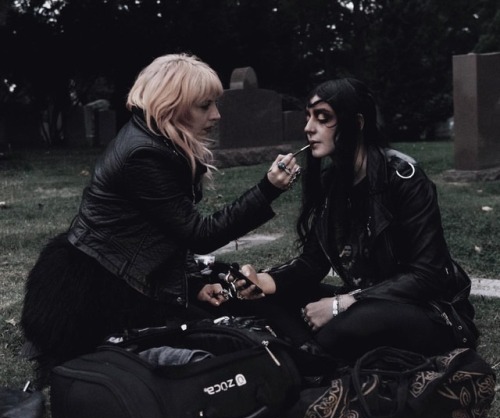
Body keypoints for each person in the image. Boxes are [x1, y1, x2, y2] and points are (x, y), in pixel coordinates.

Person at [20, 53, 301, 385]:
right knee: (221, 330)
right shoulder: (144, 154)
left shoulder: (154, 140)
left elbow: (162, 236)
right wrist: (267, 189)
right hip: (90, 293)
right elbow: (199, 235)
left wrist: (194, 285)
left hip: (113, 277)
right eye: (204, 106)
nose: (216, 115)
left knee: (240, 301)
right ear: (173, 106)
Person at [236, 77, 479, 364]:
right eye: (308, 117)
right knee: (271, 299)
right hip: (365, 300)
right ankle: (309, 353)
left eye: (323, 118)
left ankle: (308, 361)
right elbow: (313, 262)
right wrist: (264, 281)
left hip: (427, 311)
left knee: (354, 321)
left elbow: (427, 276)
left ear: (357, 123)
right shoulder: (332, 182)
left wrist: (343, 304)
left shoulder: (404, 178)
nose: (308, 128)